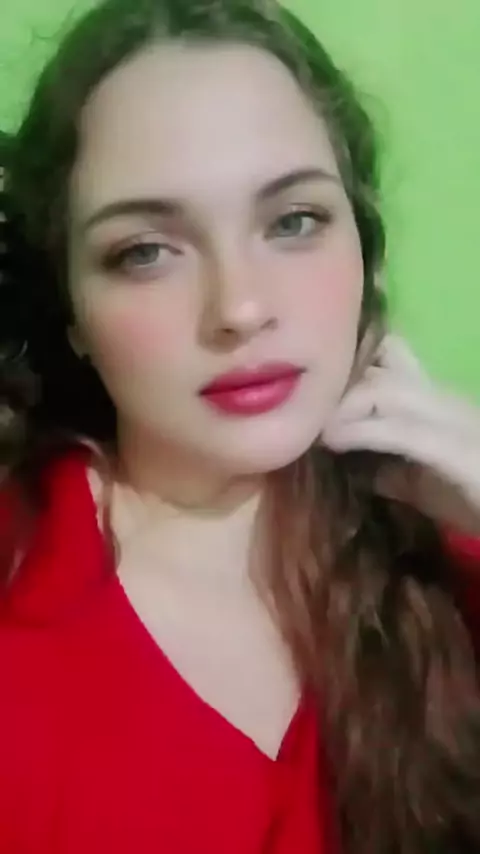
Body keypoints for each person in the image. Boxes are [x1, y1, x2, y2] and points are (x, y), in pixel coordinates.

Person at [1, 0, 480, 851]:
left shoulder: (448, 554)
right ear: (70, 307)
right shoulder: (20, 587)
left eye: (293, 222)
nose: (241, 308)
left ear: (362, 247)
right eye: (146, 251)